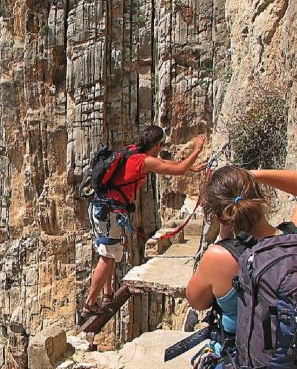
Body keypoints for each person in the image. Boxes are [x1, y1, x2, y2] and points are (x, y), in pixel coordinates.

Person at [81, 125, 206, 318]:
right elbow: (178, 170)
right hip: (110, 213)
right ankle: (89, 305)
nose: (160, 148)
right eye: (161, 145)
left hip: (100, 208)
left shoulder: (132, 150)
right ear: (156, 144)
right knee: (106, 256)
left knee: (108, 252)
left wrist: (192, 167)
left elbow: (163, 162)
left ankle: (107, 295)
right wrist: (197, 150)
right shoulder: (143, 161)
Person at [186, 167, 297, 330]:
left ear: (221, 218)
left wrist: (223, 241)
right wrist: (249, 175)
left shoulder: (218, 258)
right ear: (260, 197)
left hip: (250, 354)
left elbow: (196, 301)